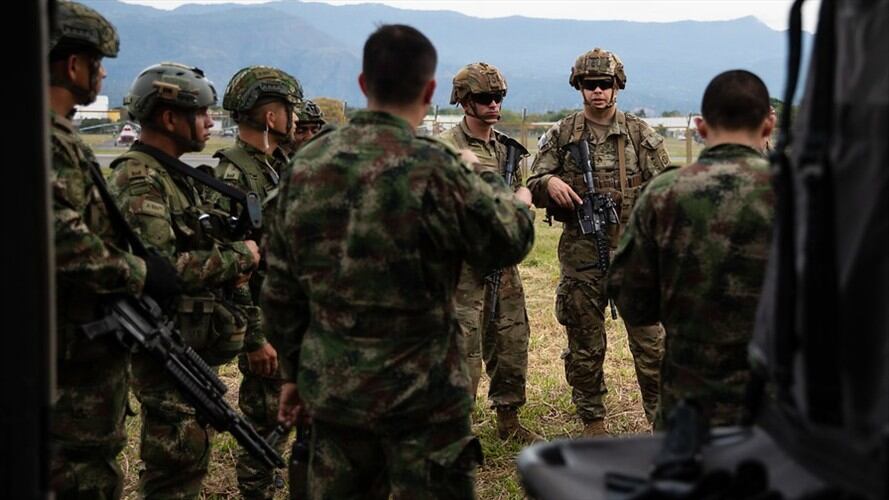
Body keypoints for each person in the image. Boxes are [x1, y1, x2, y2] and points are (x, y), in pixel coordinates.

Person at [263, 24, 534, 499]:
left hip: (334, 387)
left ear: (364, 84)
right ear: (430, 90)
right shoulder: (441, 165)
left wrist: (292, 373)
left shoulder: (305, 167)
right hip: (423, 393)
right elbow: (509, 239)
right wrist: (490, 182)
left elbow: (280, 289)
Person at [109, 62, 261, 499]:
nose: (211, 121)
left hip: (185, 340)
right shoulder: (140, 178)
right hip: (163, 346)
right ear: (170, 118)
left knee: (189, 458)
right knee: (174, 466)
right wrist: (238, 258)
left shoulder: (172, 174)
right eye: (202, 112)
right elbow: (161, 271)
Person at [48, 3, 180, 498]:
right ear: (73, 66)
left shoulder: (62, 136)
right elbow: (59, 238)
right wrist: (140, 273)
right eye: (98, 61)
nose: (103, 71)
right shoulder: (47, 138)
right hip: (66, 365)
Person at [607, 69, 775, 429]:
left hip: (691, 403)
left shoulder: (664, 193)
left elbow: (634, 303)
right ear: (768, 125)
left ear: (700, 127)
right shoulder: (803, 192)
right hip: (780, 404)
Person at [527, 48, 671, 433]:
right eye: (590, 85)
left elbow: (666, 189)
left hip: (634, 256)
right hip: (582, 257)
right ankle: (593, 421)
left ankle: (662, 425)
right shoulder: (562, 134)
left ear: (616, 86)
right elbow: (533, 181)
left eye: (604, 84)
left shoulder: (640, 134)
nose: (597, 92)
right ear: (579, 87)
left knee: (653, 347)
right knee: (585, 348)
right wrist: (549, 182)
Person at [438, 62, 541, 443]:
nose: (494, 103)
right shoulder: (449, 148)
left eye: (499, 97)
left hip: (503, 261)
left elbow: (521, 193)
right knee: (463, 349)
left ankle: (509, 420)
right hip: (462, 266)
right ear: (464, 101)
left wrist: (522, 202)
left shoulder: (508, 150)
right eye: (485, 97)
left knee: (511, 339)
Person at [213, 65, 303, 500]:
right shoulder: (235, 177)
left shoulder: (273, 166)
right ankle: (257, 489)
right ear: (271, 118)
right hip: (264, 320)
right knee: (267, 419)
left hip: (287, 313)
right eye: (288, 109)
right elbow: (234, 270)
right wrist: (254, 337)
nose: (294, 118)